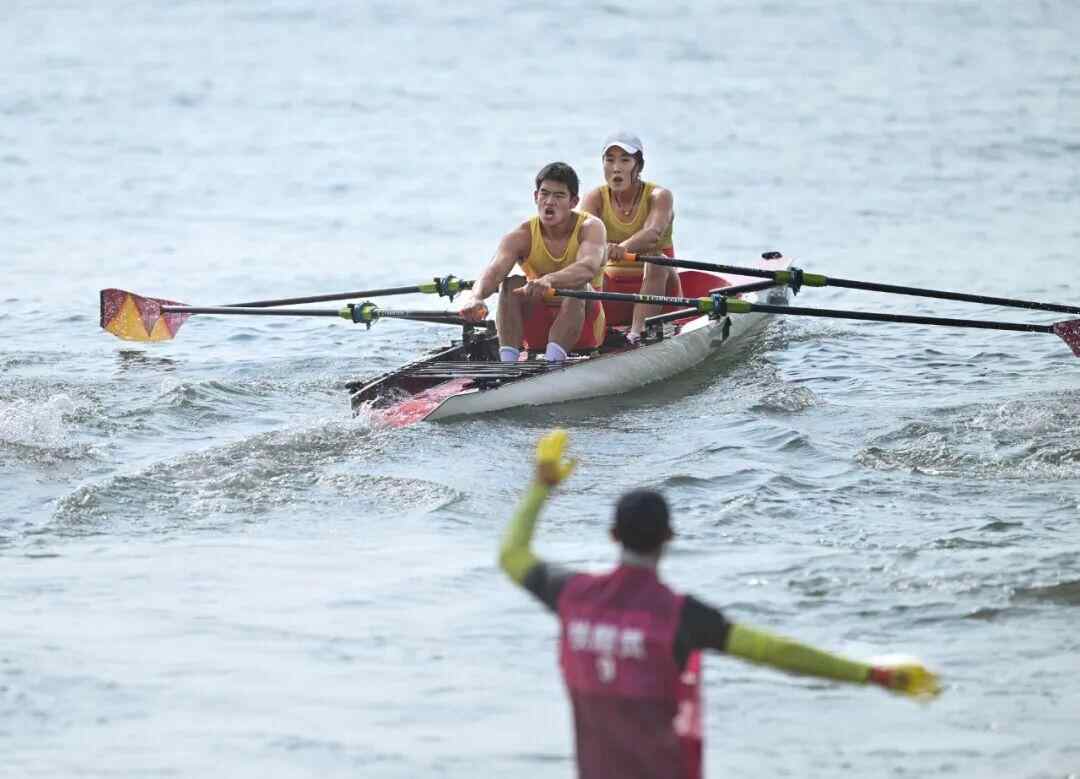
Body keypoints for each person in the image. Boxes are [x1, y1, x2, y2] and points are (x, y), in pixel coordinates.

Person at [499, 430, 941, 779]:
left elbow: (512, 556)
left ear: (613, 536)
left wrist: (542, 486)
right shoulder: (680, 617)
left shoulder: (572, 595)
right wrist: (873, 674)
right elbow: (776, 652)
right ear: (669, 537)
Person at [459, 162, 607, 363]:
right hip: (538, 325)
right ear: (535, 196)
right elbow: (494, 271)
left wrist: (549, 280)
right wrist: (475, 297)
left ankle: (552, 362)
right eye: (544, 194)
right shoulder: (522, 235)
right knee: (510, 284)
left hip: (586, 327)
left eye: (559, 196)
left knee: (578, 286)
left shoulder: (590, 227)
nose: (549, 202)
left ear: (573, 202)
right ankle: (508, 363)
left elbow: (588, 268)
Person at [580, 132, 679, 344]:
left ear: (639, 166)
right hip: (612, 295)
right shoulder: (594, 199)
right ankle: (588, 335)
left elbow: (653, 234)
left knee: (657, 260)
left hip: (661, 297)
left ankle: (637, 334)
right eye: (610, 160)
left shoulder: (659, 196)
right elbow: (584, 241)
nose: (616, 168)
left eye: (625, 160)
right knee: (584, 271)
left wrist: (622, 248)